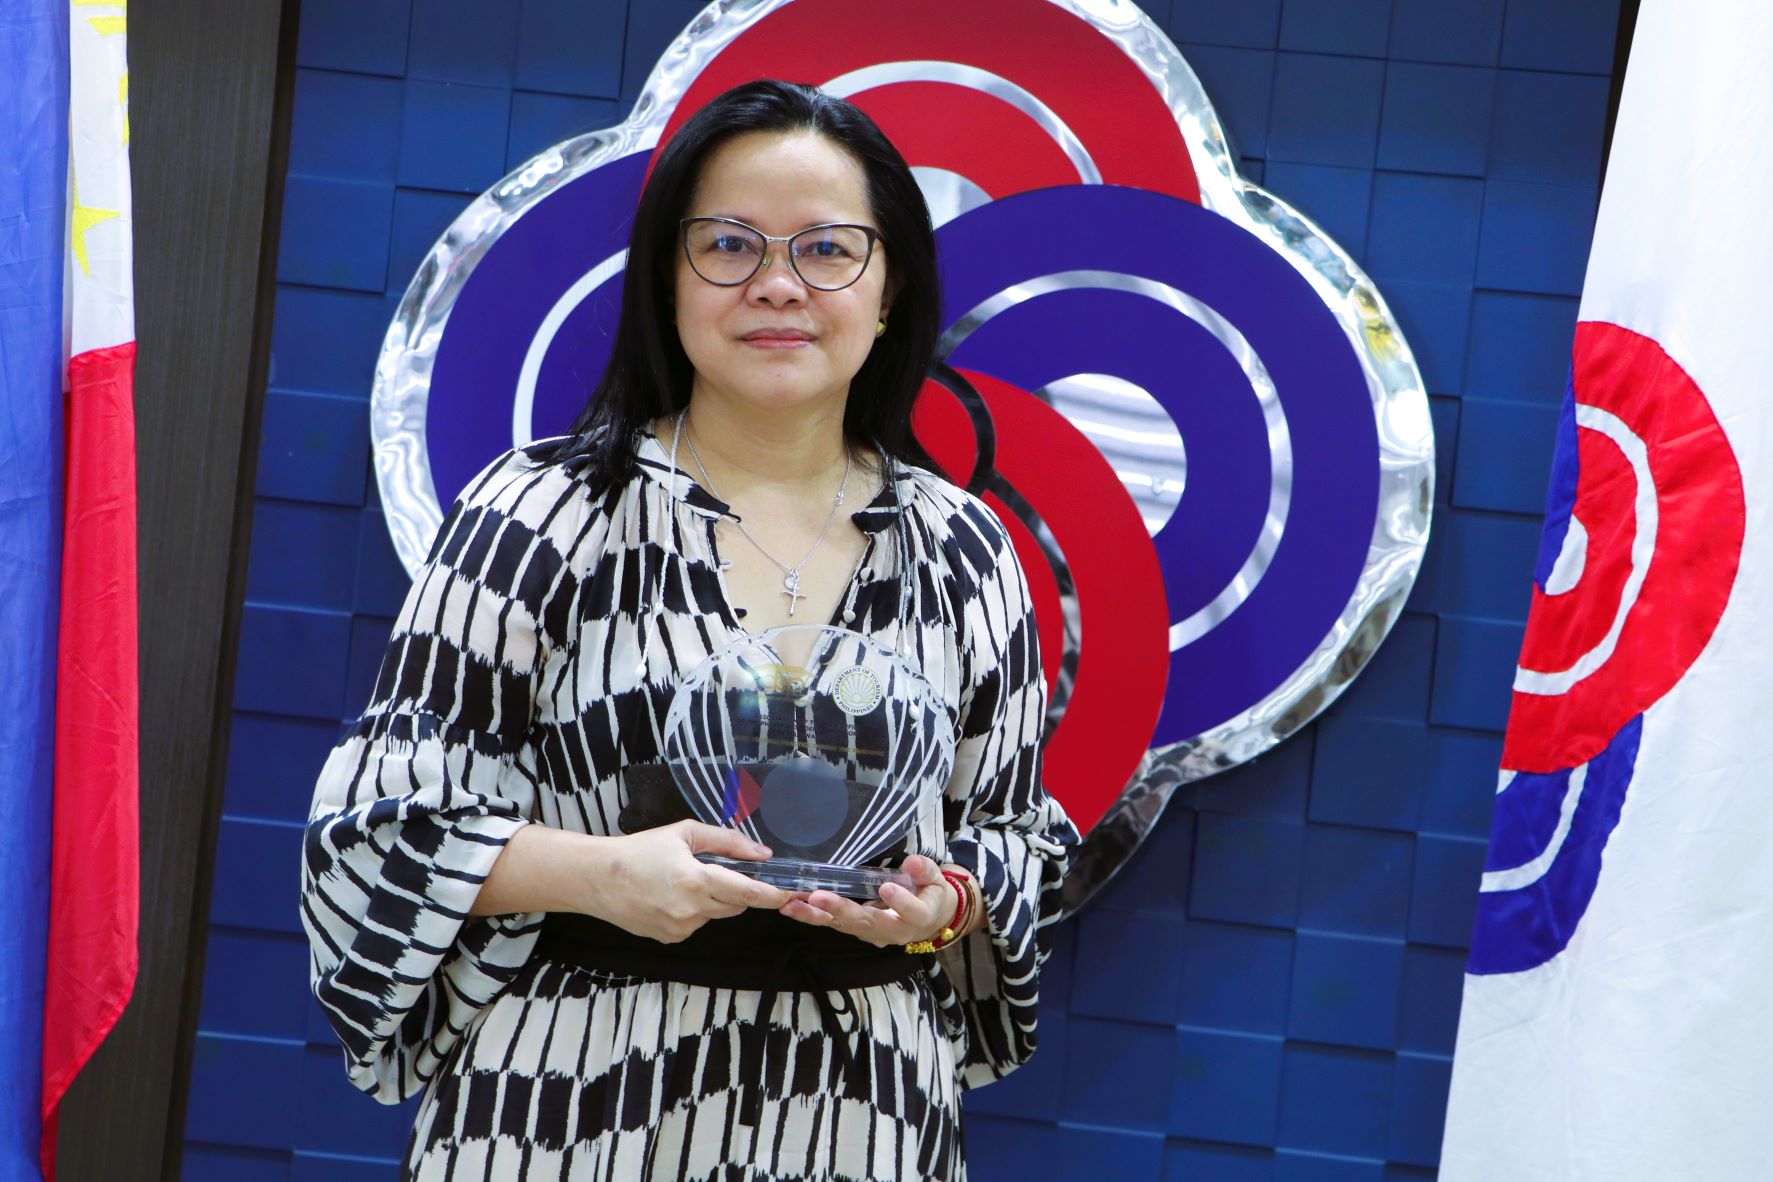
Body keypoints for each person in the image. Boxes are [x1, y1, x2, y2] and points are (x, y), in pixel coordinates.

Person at [301, 78, 1077, 1181]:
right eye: (727, 245)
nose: (776, 284)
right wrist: (599, 876)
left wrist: (938, 909)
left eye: (827, 250)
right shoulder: (542, 514)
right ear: (667, 278)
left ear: (893, 284)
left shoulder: (965, 551)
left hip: (863, 1114)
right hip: (569, 1101)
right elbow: (372, 827)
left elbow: (1022, 846)